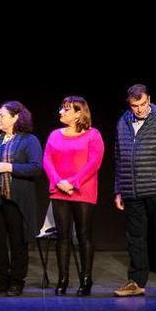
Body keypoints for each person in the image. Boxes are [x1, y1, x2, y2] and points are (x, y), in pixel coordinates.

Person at [112, 84, 156, 299]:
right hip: (131, 191)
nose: (140, 109)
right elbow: (118, 159)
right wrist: (118, 189)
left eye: (143, 104)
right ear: (129, 104)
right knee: (135, 238)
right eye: (135, 106)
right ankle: (136, 281)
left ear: (149, 99)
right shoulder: (122, 122)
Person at [0, 101, 42, 296]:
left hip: (16, 199)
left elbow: (36, 167)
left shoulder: (29, 140)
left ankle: (16, 281)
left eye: (2, 115)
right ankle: (0, 280)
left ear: (15, 117)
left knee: (17, 241)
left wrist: (10, 167)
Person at [43, 96, 104, 296]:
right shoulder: (54, 135)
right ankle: (62, 279)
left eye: (66, 109)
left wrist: (73, 182)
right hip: (59, 191)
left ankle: (86, 279)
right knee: (63, 236)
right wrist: (59, 182)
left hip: (82, 191)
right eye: (62, 108)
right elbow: (47, 161)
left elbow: (93, 163)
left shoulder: (93, 135)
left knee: (84, 235)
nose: (61, 112)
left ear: (79, 113)